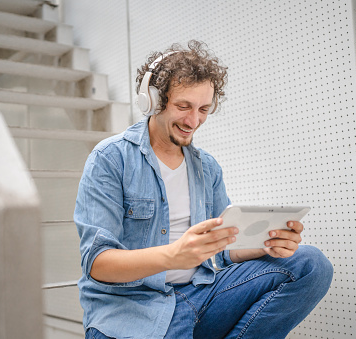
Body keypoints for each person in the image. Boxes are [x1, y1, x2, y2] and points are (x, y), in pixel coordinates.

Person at [74, 40, 333, 339]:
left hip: (200, 296)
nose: (193, 120)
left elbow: (221, 251)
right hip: (131, 311)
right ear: (153, 100)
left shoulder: (207, 167)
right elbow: (98, 264)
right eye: (183, 106)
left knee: (310, 264)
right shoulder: (110, 158)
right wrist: (173, 255)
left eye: (203, 109)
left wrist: (265, 246)